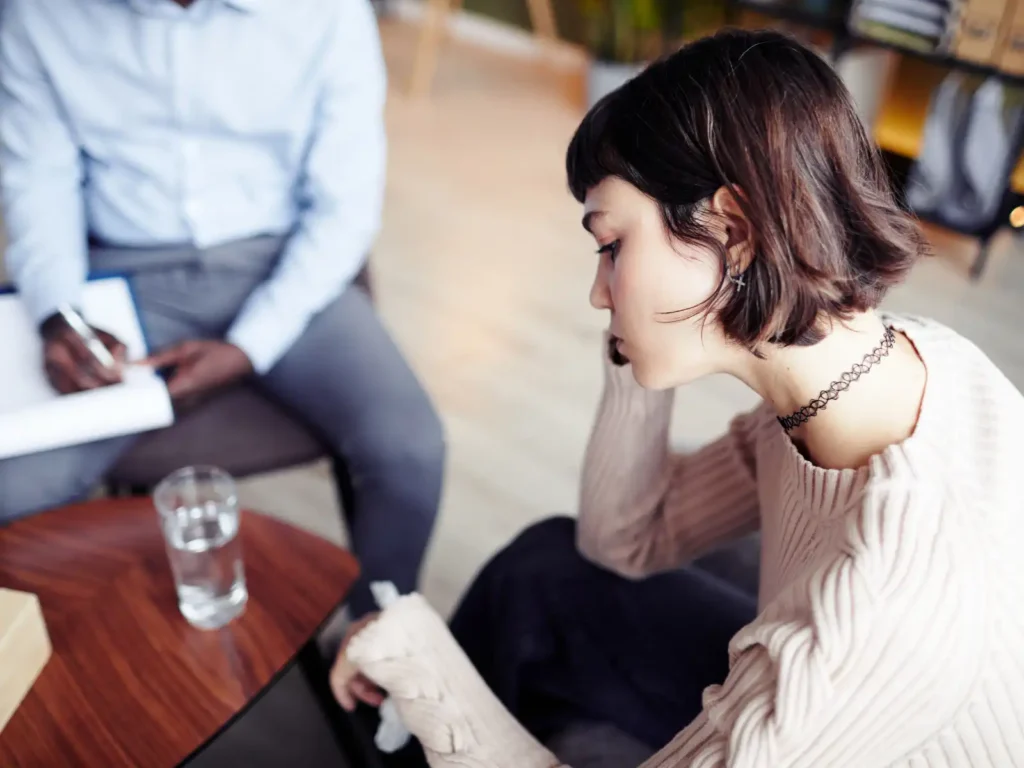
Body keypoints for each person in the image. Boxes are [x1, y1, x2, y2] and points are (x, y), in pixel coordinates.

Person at [331, 29, 1024, 767]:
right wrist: (636, 342)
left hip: (862, 701)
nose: (597, 291)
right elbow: (622, 540)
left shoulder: (883, 595)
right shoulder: (865, 372)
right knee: (546, 567)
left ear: (734, 229)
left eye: (612, 246)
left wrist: (421, 664)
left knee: (444, 646)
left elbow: (861, 625)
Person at [0, 0, 444, 618]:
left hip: (285, 266)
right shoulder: (36, 15)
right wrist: (60, 314)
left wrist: (249, 346)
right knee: (14, 486)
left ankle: (382, 650)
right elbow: (37, 182)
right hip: (122, 275)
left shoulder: (330, 12)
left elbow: (344, 209)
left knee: (411, 449)